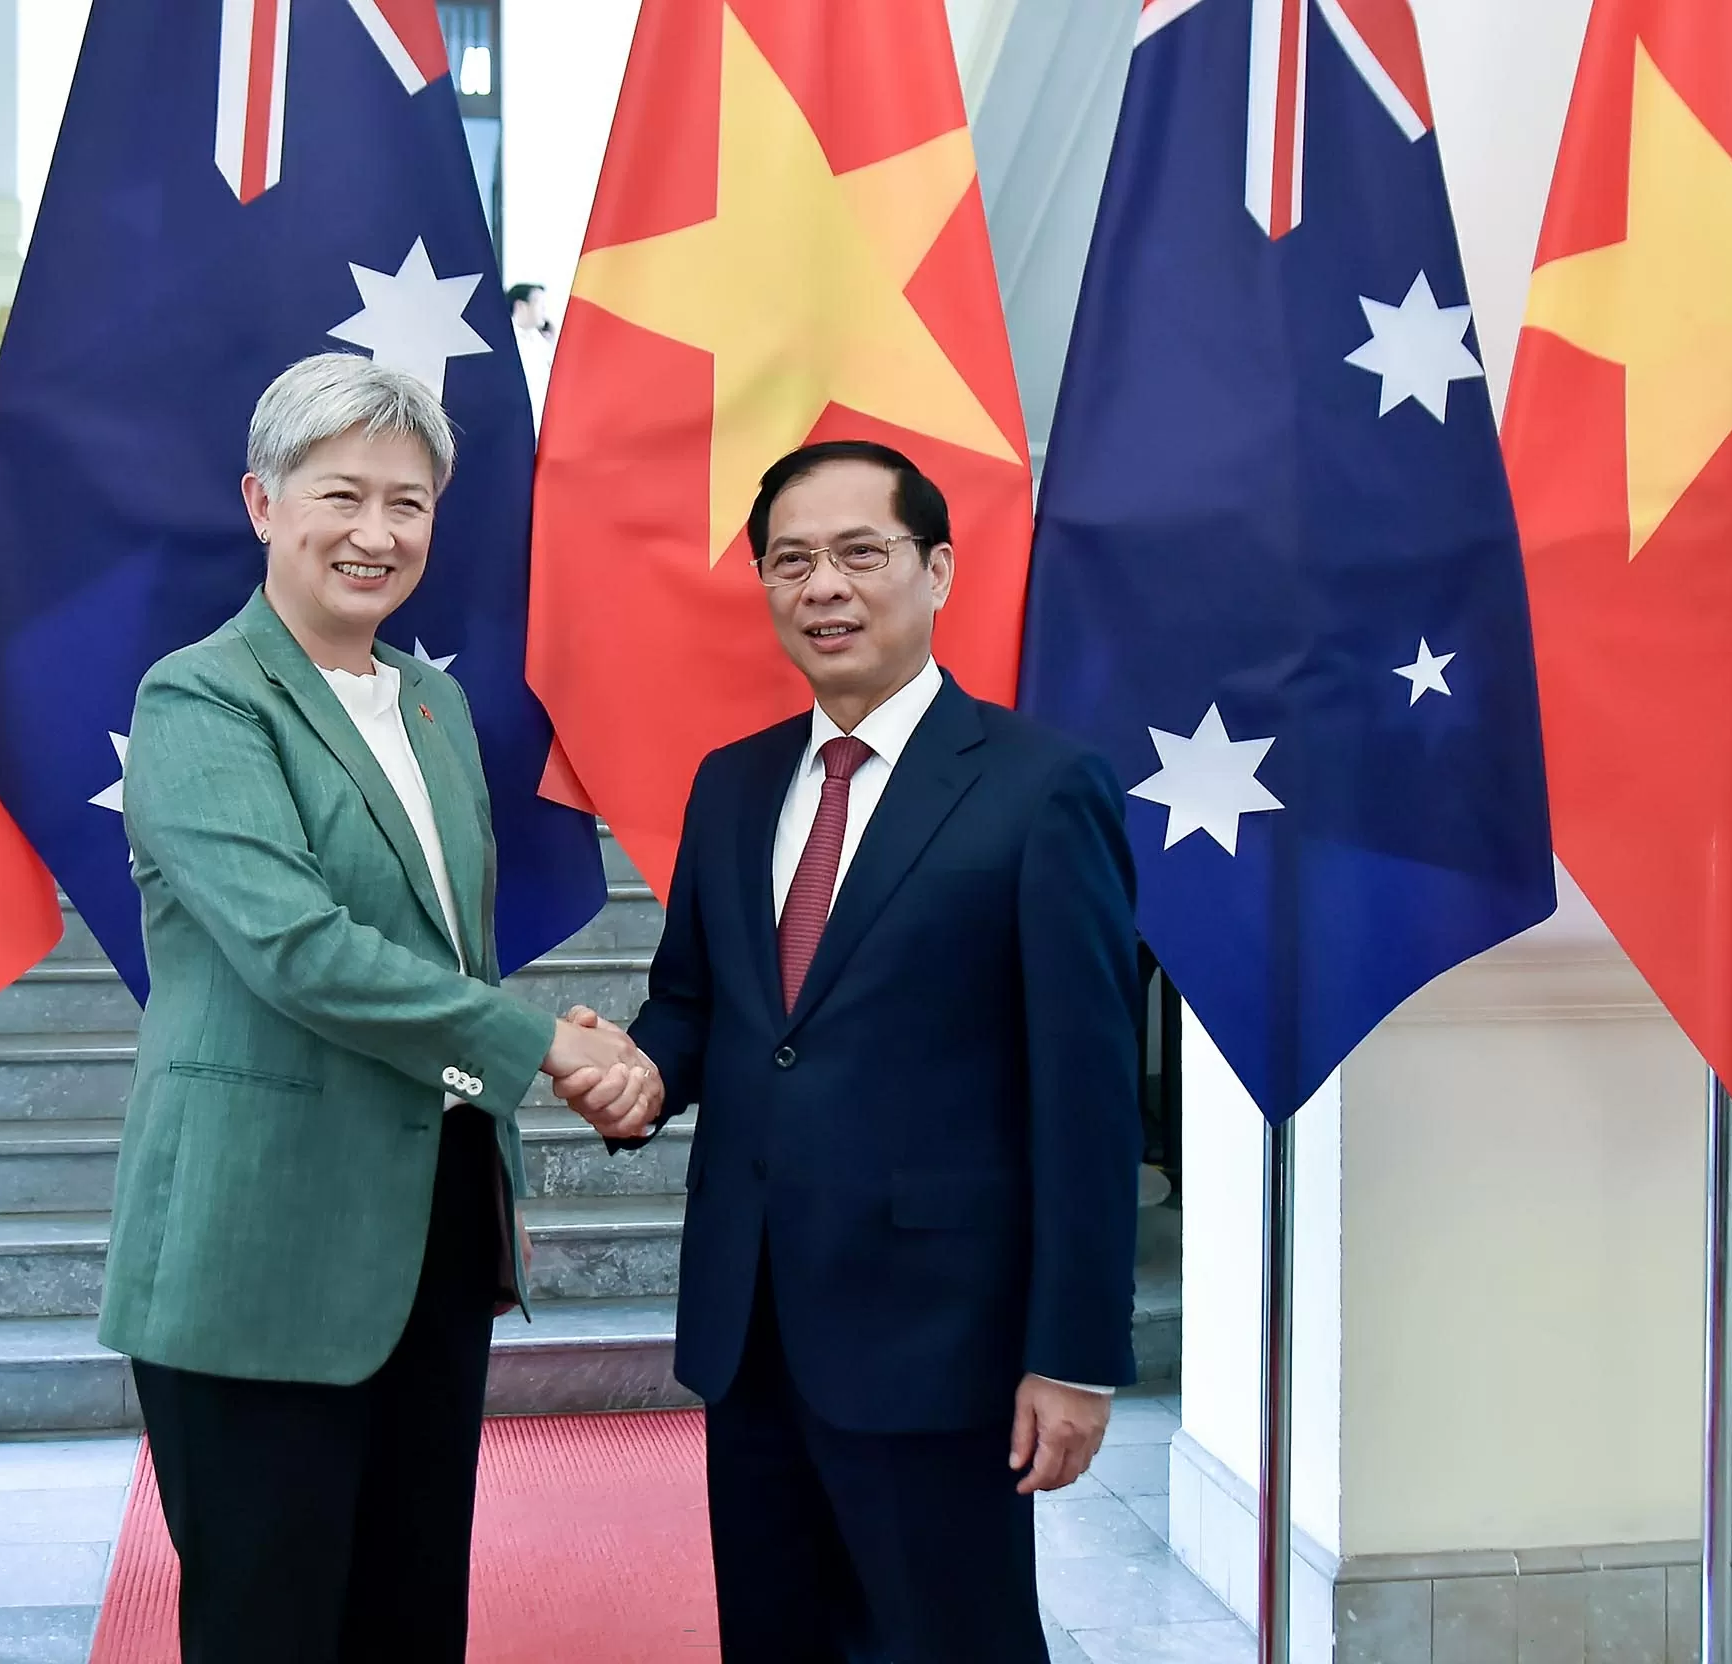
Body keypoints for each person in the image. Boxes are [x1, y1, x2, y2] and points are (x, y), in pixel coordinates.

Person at [98, 353, 659, 1663]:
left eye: (408, 504)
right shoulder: (200, 699)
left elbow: (441, 949)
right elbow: (298, 948)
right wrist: (545, 1048)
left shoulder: (432, 700)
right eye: (339, 495)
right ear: (261, 502)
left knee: (409, 1616)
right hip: (260, 1240)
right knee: (272, 1621)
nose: (375, 533)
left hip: (429, 1232)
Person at [562, 440, 1142, 1662]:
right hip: (751, 1322)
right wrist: (644, 1073)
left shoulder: (1043, 790)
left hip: (943, 1337)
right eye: (790, 560)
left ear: (936, 570)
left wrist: (1075, 1353)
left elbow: (1088, 1103)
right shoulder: (732, 783)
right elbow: (699, 1007)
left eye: (858, 553)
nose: (823, 585)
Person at [507, 281, 555, 428]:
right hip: (516, 425)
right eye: (539, 304)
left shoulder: (542, 343)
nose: (544, 310)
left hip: (542, 425)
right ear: (521, 306)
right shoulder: (506, 341)